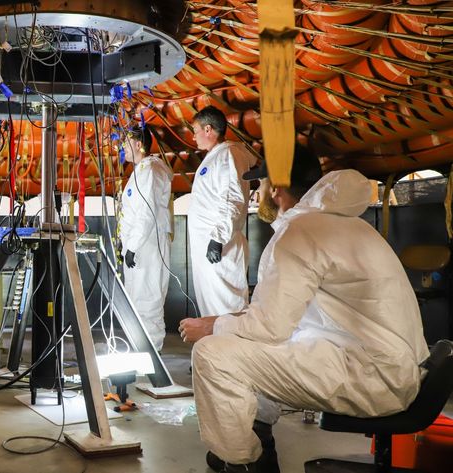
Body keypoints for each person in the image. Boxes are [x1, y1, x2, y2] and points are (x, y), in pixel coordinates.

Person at [178, 145, 429, 473]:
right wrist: (226, 320)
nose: (257, 193)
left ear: (277, 188)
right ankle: (258, 439)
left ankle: (243, 460)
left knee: (212, 355)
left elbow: (270, 328)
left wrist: (211, 327)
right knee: (248, 346)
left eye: (260, 185)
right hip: (389, 368)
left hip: (374, 377)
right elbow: (288, 315)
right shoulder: (345, 224)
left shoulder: (301, 231)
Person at [187, 106, 258, 317]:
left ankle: (233, 348)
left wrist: (217, 238)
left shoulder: (228, 154)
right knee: (212, 309)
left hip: (219, 246)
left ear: (208, 130)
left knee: (225, 306)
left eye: (195, 130)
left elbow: (232, 198)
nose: (193, 137)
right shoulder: (215, 156)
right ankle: (217, 348)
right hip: (209, 247)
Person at [118, 125, 174, 350]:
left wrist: (133, 246)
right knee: (136, 297)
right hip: (138, 246)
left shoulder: (151, 170)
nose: (122, 146)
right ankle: (141, 346)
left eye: (126, 142)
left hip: (148, 245)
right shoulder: (140, 171)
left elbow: (146, 211)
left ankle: (152, 350)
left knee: (148, 296)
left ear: (138, 144)